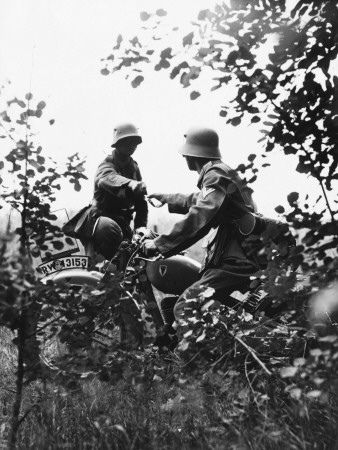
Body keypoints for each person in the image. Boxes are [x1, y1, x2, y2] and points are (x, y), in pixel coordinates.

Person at [143, 126, 264, 328]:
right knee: (178, 302)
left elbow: (202, 214)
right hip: (237, 257)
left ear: (192, 154)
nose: (185, 158)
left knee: (184, 307)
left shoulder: (216, 174)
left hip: (235, 261)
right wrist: (167, 198)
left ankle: (196, 359)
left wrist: (160, 243)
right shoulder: (220, 173)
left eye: (185, 155)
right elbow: (201, 200)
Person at [62, 122, 148, 260]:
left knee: (124, 268)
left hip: (122, 224)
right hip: (100, 223)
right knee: (97, 269)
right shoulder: (106, 164)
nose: (132, 146)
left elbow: (141, 203)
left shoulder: (134, 167)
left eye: (134, 142)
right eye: (127, 141)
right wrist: (130, 183)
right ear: (118, 143)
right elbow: (107, 178)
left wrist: (140, 229)